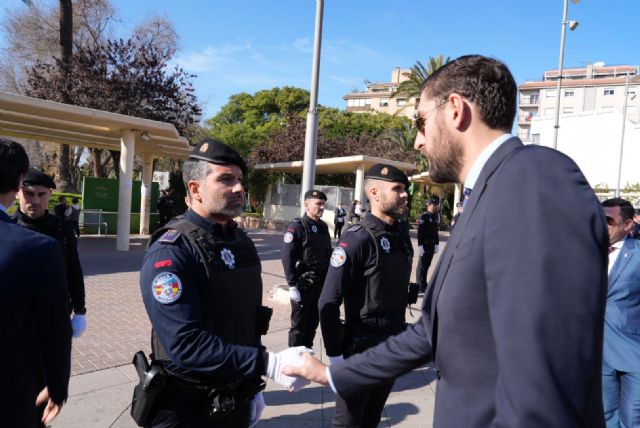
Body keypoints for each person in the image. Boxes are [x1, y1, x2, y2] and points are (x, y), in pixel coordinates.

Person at [283, 55, 608, 427]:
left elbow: (545, 385)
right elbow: (429, 333)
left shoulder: (531, 179)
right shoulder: (486, 196)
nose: (419, 141)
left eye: (420, 122)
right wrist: (331, 374)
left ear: (455, 109)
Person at [139, 137, 309, 428]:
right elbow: (186, 345)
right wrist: (270, 363)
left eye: (240, 179)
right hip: (186, 408)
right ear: (195, 189)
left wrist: (252, 385)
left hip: (234, 397)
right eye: (226, 180)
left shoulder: (239, 240)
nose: (240, 188)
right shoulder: (172, 250)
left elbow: (248, 323)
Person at [319, 163, 413, 427]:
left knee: (372, 417)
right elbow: (328, 300)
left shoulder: (400, 235)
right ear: (374, 192)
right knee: (349, 421)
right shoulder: (358, 238)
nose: (404, 194)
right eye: (397, 189)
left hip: (391, 344)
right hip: (361, 349)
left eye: (405, 189)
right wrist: (335, 356)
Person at [0, 138, 71, 428]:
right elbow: (53, 328)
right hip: (10, 393)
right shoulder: (35, 247)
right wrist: (57, 386)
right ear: (19, 184)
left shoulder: (55, 231)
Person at [14, 168, 87, 338]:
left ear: (50, 195)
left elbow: (74, 270)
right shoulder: (7, 228)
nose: (36, 200)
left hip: (54, 313)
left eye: (41, 194)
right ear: (18, 193)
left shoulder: (62, 229)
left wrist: (80, 311)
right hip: (14, 317)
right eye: (29, 194)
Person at [601, 198, 640, 427]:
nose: (601, 225)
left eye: (608, 221)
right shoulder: (587, 252)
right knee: (605, 416)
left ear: (628, 225)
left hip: (634, 354)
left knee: (632, 420)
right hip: (599, 354)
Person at [282, 189, 332, 348]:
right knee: (298, 326)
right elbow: (287, 257)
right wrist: (292, 286)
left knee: (312, 324)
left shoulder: (323, 227)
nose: (322, 207)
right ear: (306, 204)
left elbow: (328, 254)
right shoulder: (297, 226)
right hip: (303, 285)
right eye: (318, 204)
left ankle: (307, 354)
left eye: (323, 204)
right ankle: (294, 360)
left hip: (319, 284)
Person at [416, 198, 440, 293]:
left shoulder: (434, 216)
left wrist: (437, 244)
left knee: (427, 265)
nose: (435, 206)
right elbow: (420, 232)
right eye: (434, 204)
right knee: (422, 266)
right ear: (428, 205)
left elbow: (435, 232)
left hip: (431, 245)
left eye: (436, 204)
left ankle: (424, 284)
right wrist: (420, 245)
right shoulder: (424, 217)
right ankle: (419, 285)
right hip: (425, 245)